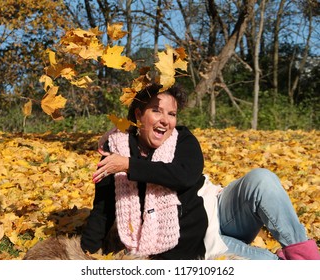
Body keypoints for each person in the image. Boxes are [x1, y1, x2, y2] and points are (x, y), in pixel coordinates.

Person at [80, 83, 320, 260]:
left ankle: (307, 258)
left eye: (171, 114)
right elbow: (103, 209)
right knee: (274, 269)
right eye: (156, 111)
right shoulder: (116, 151)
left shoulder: (181, 139)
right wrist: (85, 255)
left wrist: (129, 166)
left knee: (262, 179)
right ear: (138, 115)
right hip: (205, 243)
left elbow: (184, 175)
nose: (165, 120)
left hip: (221, 210)